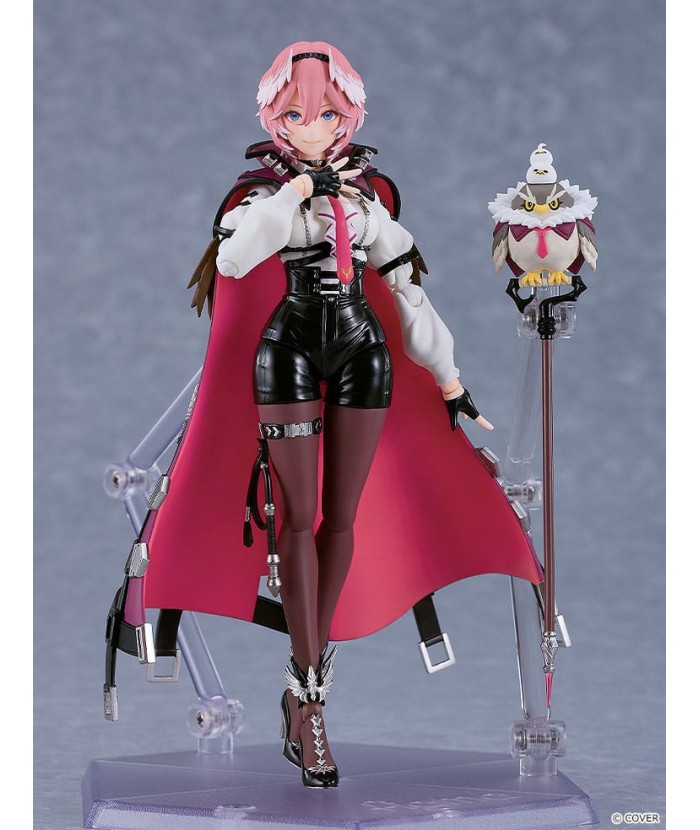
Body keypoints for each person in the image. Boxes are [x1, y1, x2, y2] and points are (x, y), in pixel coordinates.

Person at [105, 40, 542, 789]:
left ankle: (308, 676)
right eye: (296, 115)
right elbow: (237, 259)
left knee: (340, 519)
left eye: (328, 114)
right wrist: (297, 193)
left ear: (351, 117)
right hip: (289, 353)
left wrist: (447, 377)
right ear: (272, 118)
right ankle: (307, 698)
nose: (312, 127)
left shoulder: (369, 201)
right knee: (298, 520)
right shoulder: (258, 197)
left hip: (363, 354)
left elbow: (407, 291)